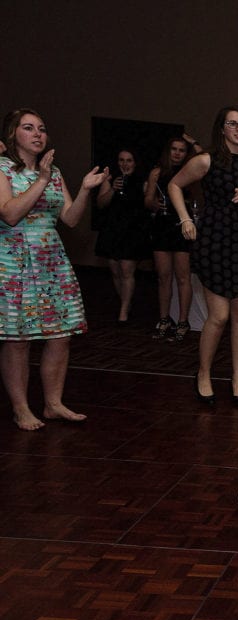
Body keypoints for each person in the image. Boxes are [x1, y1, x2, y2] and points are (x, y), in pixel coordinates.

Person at [0, 108, 108, 430]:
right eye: (29, 128)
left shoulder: (55, 171)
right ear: (13, 135)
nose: (38, 134)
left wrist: (86, 189)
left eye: (42, 129)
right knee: (17, 338)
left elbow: (71, 219)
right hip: (15, 262)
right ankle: (21, 408)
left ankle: (53, 404)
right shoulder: (3, 168)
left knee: (61, 335)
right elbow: (9, 214)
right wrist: (42, 180)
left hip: (52, 262)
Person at [168, 106, 238, 406]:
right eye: (232, 124)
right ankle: (204, 373)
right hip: (214, 242)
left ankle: (237, 379)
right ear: (221, 128)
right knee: (219, 316)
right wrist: (185, 219)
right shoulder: (206, 160)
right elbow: (174, 185)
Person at [145, 136, 199, 341]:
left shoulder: (191, 173)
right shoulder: (156, 173)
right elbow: (148, 200)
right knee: (163, 277)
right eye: (174, 149)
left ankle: (183, 321)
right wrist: (154, 204)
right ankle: (164, 319)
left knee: (183, 277)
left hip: (183, 227)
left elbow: (197, 201)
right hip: (162, 226)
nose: (177, 153)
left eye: (181, 150)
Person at [94, 148, 150, 324]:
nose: (125, 164)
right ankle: (126, 302)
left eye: (129, 160)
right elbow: (101, 204)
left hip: (132, 231)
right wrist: (112, 189)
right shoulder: (111, 179)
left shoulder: (143, 181)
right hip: (113, 229)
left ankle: (123, 311)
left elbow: (148, 206)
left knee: (127, 270)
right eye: (121, 160)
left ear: (135, 162)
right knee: (115, 269)